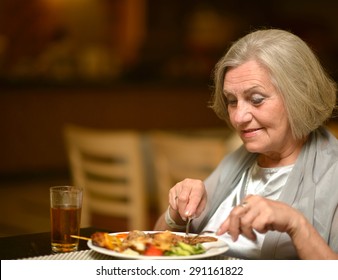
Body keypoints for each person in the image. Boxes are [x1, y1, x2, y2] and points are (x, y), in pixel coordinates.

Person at [154, 28, 338, 259]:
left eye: (256, 99)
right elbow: (156, 241)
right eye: (232, 101)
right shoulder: (239, 159)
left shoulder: (333, 173)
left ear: (299, 95)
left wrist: (296, 225)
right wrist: (176, 214)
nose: (239, 117)